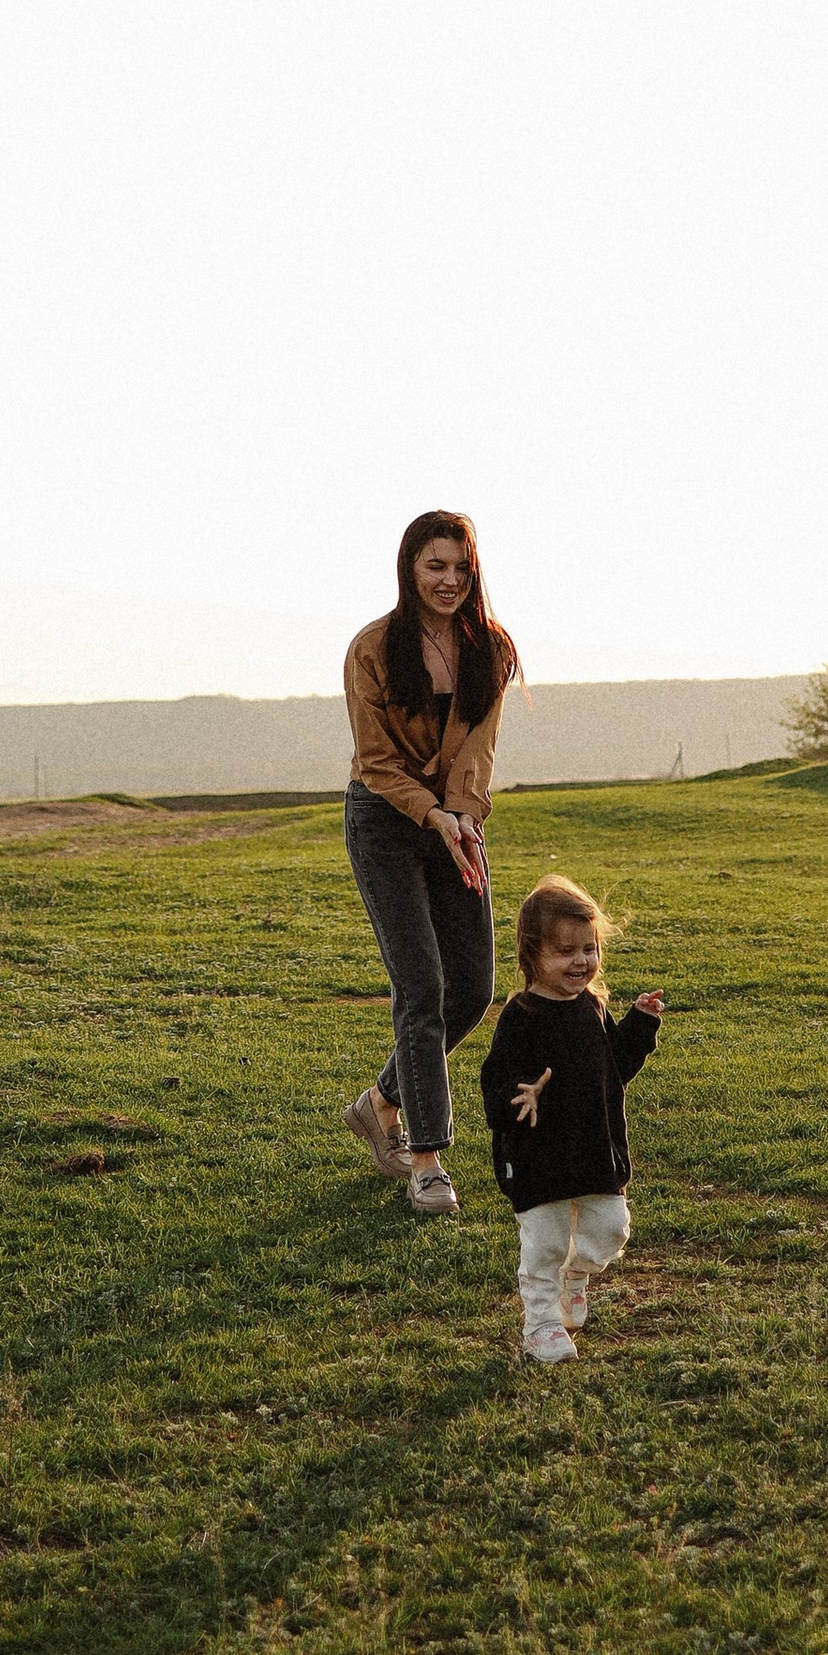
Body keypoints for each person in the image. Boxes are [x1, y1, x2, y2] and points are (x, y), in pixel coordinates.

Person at [341, 512, 520, 1217]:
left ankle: (379, 1099)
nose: (449, 581)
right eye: (434, 566)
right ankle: (426, 1160)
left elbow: (479, 750)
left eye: (460, 568)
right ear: (409, 569)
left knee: (471, 989)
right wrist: (434, 816)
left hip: (457, 820)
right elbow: (378, 763)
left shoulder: (492, 648)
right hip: (385, 821)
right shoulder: (373, 650)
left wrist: (462, 819)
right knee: (421, 985)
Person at [479, 875, 662, 1362]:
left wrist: (639, 1024)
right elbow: (495, 1081)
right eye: (565, 952)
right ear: (533, 956)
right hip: (538, 1157)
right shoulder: (521, 1018)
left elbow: (614, 1070)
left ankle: (576, 1275)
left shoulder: (593, 1010)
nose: (580, 961)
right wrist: (518, 1098)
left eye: (589, 948)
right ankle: (540, 1323)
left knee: (611, 1229)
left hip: (595, 1151)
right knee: (545, 1244)